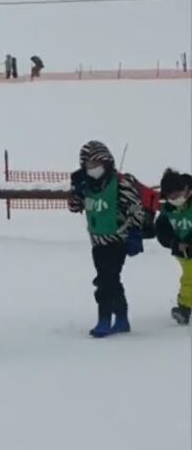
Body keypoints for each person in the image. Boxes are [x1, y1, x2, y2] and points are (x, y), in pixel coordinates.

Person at [67, 141, 145, 338]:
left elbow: (136, 208)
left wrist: (135, 233)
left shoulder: (121, 183)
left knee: (106, 280)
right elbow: (75, 207)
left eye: (97, 164)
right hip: (97, 241)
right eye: (88, 165)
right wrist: (76, 191)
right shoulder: (86, 186)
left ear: (107, 162)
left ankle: (104, 319)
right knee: (111, 280)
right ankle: (121, 317)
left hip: (118, 239)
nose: (93, 169)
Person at [155, 169, 192, 325]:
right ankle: (184, 308)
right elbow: (162, 231)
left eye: (178, 194)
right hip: (182, 251)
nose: (176, 199)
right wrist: (175, 242)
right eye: (172, 197)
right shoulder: (167, 211)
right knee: (190, 276)